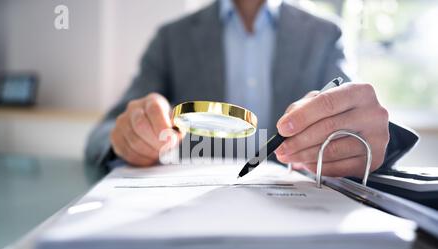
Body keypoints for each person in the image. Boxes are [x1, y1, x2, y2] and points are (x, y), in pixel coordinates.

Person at [86, 0, 418, 177]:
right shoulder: (171, 38)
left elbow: (357, 123)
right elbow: (103, 133)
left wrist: (367, 139)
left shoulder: (325, 35)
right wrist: (127, 137)